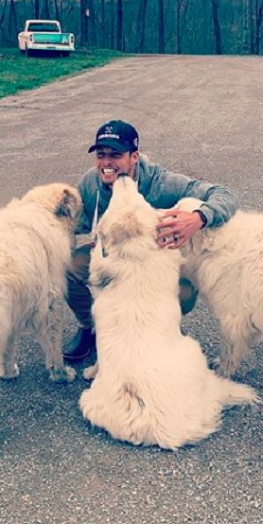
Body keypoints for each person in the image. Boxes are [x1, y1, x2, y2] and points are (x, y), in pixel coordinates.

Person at [63, 119, 239, 361]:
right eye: (101, 155)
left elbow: (224, 195)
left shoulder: (162, 183)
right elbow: (73, 223)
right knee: (69, 268)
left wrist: (198, 218)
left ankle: (161, 327)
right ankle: (91, 328)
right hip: (112, 258)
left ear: (134, 157)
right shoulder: (90, 183)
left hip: (155, 264)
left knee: (183, 294)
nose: (106, 163)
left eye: (115, 155)